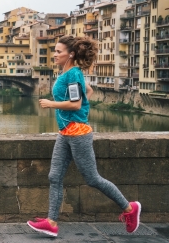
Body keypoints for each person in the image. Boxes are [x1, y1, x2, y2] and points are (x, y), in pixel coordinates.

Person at [27, 35, 141, 237]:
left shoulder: (73, 74)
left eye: (58, 51)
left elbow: (76, 103)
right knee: (54, 176)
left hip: (78, 133)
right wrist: (81, 109)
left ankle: (130, 209)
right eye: (55, 51)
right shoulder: (68, 73)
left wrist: (52, 104)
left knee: (92, 178)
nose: (55, 55)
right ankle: (51, 222)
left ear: (70, 54)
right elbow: (88, 91)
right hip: (65, 132)